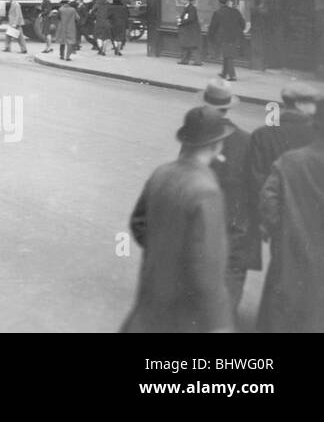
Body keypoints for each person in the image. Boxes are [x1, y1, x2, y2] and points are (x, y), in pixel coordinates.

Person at [120, 106, 234, 333]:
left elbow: (138, 222)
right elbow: (208, 267)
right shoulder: (207, 191)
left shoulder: (161, 173)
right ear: (216, 145)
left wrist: (164, 249)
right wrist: (220, 325)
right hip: (184, 310)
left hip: (152, 295)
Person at [246, 83, 320, 321]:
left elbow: (258, 182)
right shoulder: (316, 134)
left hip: (284, 222)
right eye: (311, 102)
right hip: (316, 223)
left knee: (282, 271)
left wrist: (270, 224)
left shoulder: (264, 133)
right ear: (300, 104)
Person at [199, 80, 254, 311]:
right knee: (232, 267)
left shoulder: (196, 137)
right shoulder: (245, 139)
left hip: (204, 213)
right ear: (228, 107)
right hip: (235, 213)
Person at [206, 0, 246, 81]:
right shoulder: (235, 11)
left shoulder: (217, 13)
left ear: (219, 2)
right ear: (227, 2)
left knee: (228, 56)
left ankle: (232, 76)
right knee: (226, 54)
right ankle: (224, 73)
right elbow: (243, 24)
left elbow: (213, 27)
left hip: (225, 37)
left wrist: (210, 36)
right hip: (235, 37)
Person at [177, 0, 203, 66]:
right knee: (186, 45)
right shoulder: (187, 7)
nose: (182, 1)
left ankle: (197, 61)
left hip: (191, 30)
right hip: (187, 30)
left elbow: (191, 19)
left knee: (192, 46)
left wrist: (180, 21)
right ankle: (185, 60)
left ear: (187, 1)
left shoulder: (191, 8)